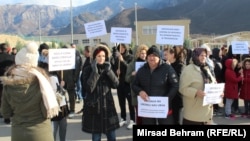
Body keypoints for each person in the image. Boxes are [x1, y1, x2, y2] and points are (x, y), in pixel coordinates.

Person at [0, 42, 59, 141]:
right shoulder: (42, 82)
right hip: (41, 133)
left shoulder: (8, 84)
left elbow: (5, 112)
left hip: (18, 133)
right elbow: (47, 111)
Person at [81, 44, 120, 141]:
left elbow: (116, 84)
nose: (101, 58)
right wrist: (95, 72)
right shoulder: (87, 69)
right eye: (99, 56)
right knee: (96, 137)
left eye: (103, 56)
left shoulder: (108, 68)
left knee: (112, 136)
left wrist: (109, 72)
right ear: (94, 57)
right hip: (95, 109)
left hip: (108, 108)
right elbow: (89, 89)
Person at [132, 45, 179, 125]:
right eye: (150, 55)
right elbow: (134, 85)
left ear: (159, 57)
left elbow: (175, 85)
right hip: (148, 107)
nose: (152, 58)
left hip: (163, 107)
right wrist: (140, 91)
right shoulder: (142, 70)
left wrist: (167, 98)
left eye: (154, 56)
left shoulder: (167, 68)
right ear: (147, 57)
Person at [179, 47, 218, 125]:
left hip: (207, 113)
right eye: (201, 55)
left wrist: (218, 92)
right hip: (193, 114)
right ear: (195, 56)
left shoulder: (206, 68)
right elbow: (182, 88)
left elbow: (213, 83)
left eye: (205, 55)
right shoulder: (188, 69)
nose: (204, 57)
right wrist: (195, 92)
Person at [110, 43, 135, 128]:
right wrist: (116, 71)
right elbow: (113, 68)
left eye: (123, 47)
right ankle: (123, 118)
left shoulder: (130, 57)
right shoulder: (117, 57)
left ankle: (132, 119)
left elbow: (130, 68)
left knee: (130, 103)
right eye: (120, 47)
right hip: (120, 83)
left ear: (126, 48)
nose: (122, 49)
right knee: (121, 102)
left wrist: (122, 61)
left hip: (127, 83)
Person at [125, 44, 148, 127]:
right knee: (139, 116)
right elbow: (127, 79)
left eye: (145, 53)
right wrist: (132, 74)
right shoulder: (132, 65)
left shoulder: (149, 63)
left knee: (148, 117)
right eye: (142, 53)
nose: (144, 55)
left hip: (148, 93)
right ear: (138, 53)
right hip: (136, 94)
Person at [165, 46, 185, 125]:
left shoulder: (180, 66)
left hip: (176, 97)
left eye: (167, 54)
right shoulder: (167, 65)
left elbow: (176, 80)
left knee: (176, 119)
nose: (165, 56)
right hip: (168, 97)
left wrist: (169, 67)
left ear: (172, 55)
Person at [61, 44, 82, 118]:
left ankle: (72, 110)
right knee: (62, 95)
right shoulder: (60, 58)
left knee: (71, 95)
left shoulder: (73, 57)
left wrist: (75, 78)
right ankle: (65, 109)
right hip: (63, 79)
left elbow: (77, 68)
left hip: (70, 78)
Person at [0, 43, 15, 123]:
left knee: (2, 98)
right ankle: (10, 114)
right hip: (9, 80)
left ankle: (3, 114)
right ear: (8, 49)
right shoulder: (12, 57)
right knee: (9, 98)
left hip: (0, 80)